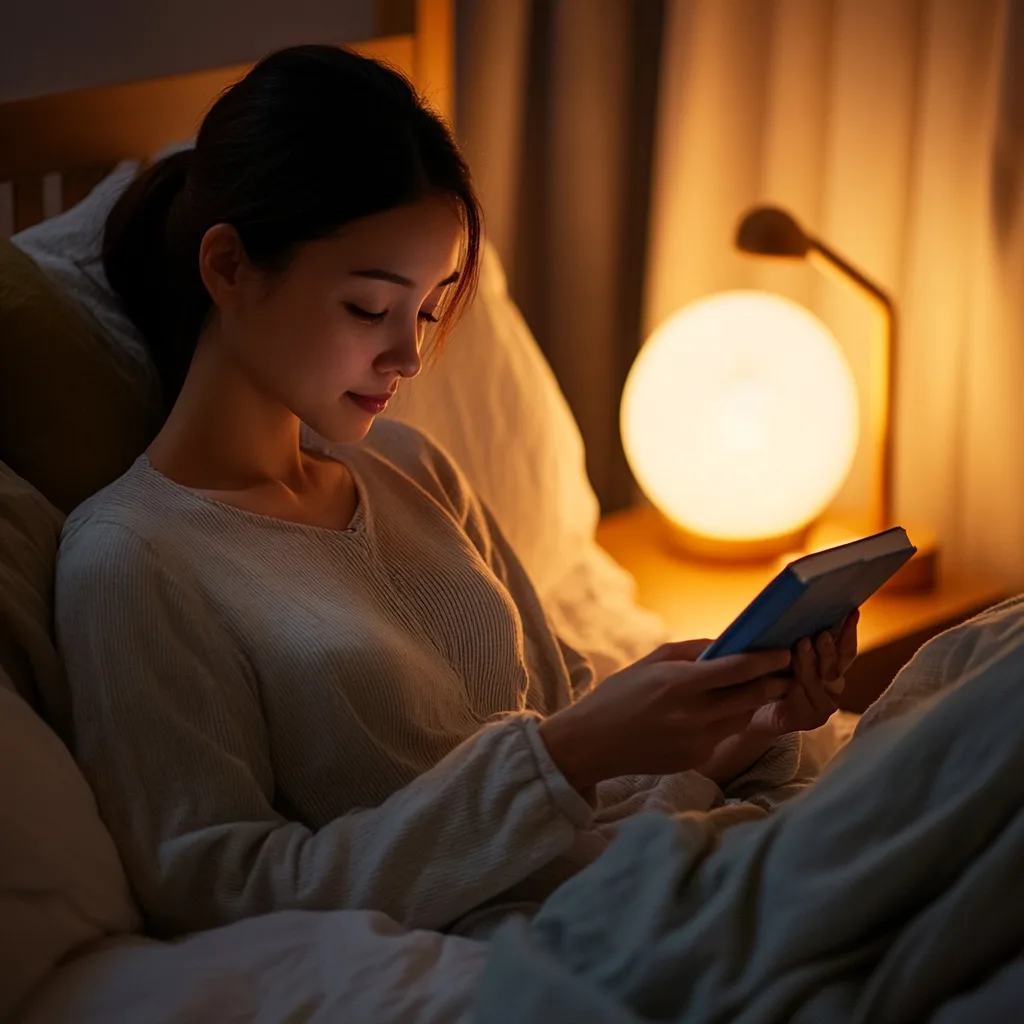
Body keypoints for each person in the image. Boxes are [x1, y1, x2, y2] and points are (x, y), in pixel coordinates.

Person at [55, 45, 857, 940]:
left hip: (644, 867)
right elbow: (222, 889)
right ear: (229, 267)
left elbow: (570, 729)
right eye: (368, 308)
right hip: (557, 929)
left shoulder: (412, 467)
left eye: (427, 310)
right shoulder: (132, 558)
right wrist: (567, 755)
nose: (406, 357)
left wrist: (742, 727)